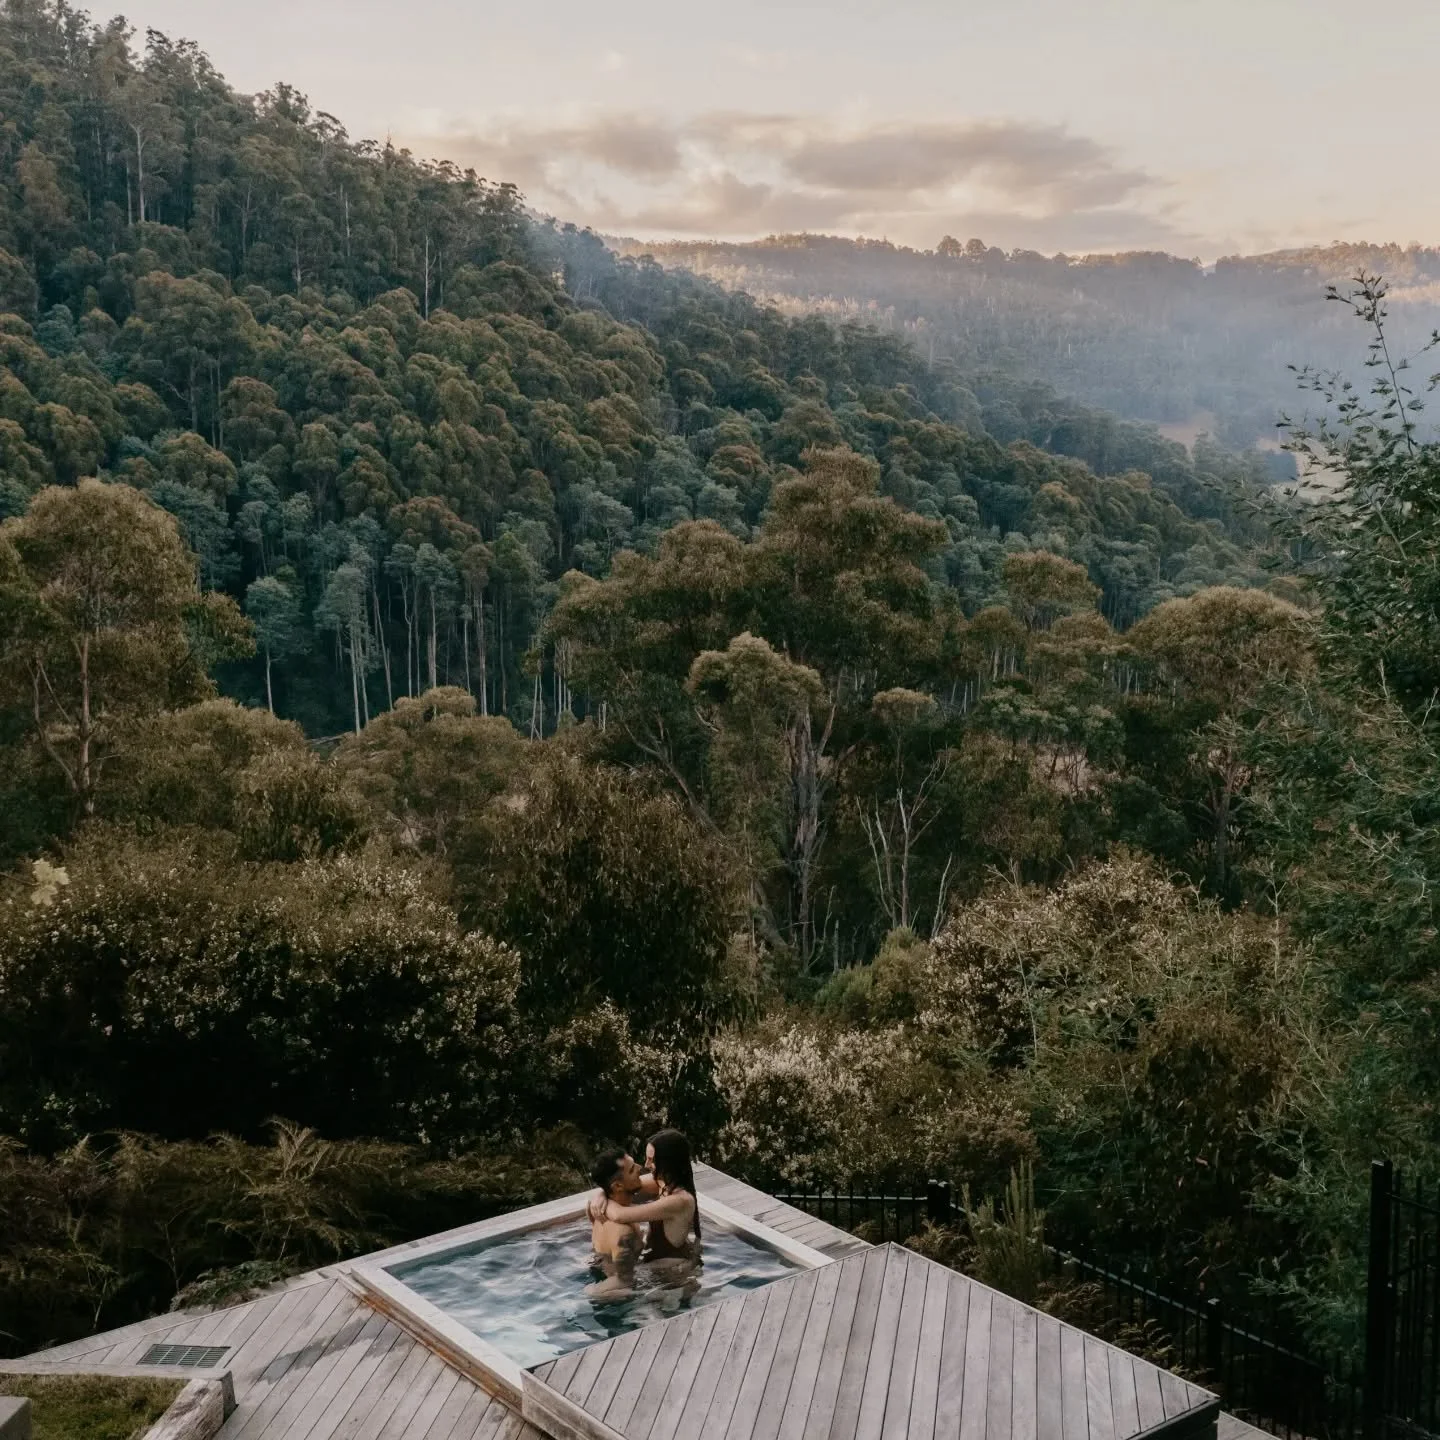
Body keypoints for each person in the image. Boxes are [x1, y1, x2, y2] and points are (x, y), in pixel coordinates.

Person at [588, 1129, 701, 1265]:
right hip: (654, 1259)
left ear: (668, 1163)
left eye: (652, 1160)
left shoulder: (681, 1200)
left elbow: (620, 1215)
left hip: (672, 1274)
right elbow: (621, 1187)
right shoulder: (662, 1182)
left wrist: (599, 1202)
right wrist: (601, 1194)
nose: (646, 1165)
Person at [585, 1147, 643, 1298]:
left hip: (600, 1268)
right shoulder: (623, 1233)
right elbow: (623, 1282)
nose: (640, 1168)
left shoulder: (595, 1209)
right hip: (615, 1297)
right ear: (618, 1186)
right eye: (632, 1170)